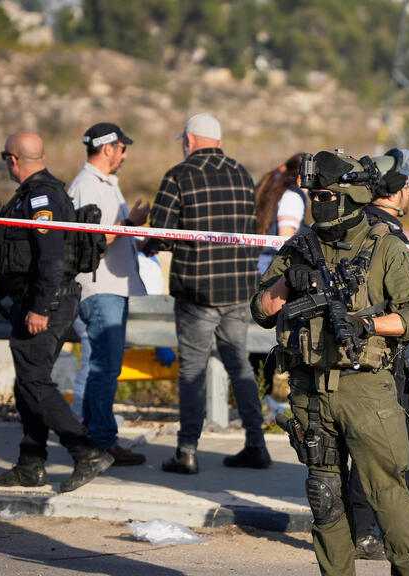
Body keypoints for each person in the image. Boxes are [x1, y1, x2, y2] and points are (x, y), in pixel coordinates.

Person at [252, 150, 409, 576]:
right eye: (313, 195)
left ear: (350, 196)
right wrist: (287, 280)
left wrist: (366, 325)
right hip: (311, 392)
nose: (318, 203)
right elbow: (262, 311)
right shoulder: (299, 247)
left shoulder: (385, 246)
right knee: (325, 498)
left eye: (326, 196)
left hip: (366, 391)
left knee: (388, 497)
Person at [0, 132, 113, 492]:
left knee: (34, 382)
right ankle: (31, 464)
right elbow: (23, 251)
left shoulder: (43, 197)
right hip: (37, 299)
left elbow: (52, 257)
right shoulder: (32, 194)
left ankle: (86, 452)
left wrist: (40, 307)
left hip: (46, 302)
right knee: (28, 383)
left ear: (12, 160)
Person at [143, 113, 269, 473]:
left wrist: (146, 241)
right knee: (240, 365)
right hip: (238, 288)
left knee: (192, 371)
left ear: (189, 140)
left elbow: (163, 232)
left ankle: (187, 451)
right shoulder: (241, 173)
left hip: (197, 291)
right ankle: (256, 445)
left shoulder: (179, 175)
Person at [350, 148, 409, 558]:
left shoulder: (358, 223)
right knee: (376, 442)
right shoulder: (386, 234)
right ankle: (361, 531)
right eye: (408, 188)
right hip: (376, 354)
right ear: (398, 190)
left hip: (374, 350)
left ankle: (406, 504)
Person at [67, 122, 150, 466]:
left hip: (111, 289)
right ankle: (101, 443)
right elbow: (91, 240)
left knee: (104, 367)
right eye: (122, 148)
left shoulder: (103, 184)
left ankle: (95, 439)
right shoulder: (86, 186)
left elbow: (112, 237)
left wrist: (143, 239)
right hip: (99, 290)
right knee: (104, 369)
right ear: (107, 149)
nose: (125, 155)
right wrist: (131, 224)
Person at [255, 153, 307, 273]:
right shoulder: (292, 197)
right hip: (273, 267)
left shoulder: (274, 189)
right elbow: (285, 241)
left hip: (260, 262)